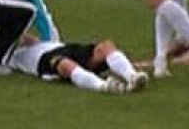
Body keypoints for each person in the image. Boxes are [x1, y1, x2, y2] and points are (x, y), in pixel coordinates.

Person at [8, 34, 149, 94]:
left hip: (65, 47)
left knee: (105, 46)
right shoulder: (9, 58)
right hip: (43, 59)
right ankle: (105, 86)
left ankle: (132, 76)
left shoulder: (22, 37)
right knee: (65, 65)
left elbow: (29, 38)